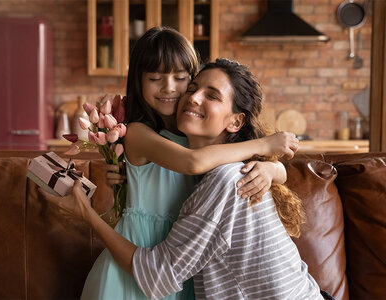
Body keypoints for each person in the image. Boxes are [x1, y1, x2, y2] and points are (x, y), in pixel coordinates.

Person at [41, 58, 332, 299]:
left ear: (236, 121)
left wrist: (86, 214)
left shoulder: (227, 180)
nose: (192, 97)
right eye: (192, 88)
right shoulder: (217, 169)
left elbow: (157, 275)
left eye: (212, 95)